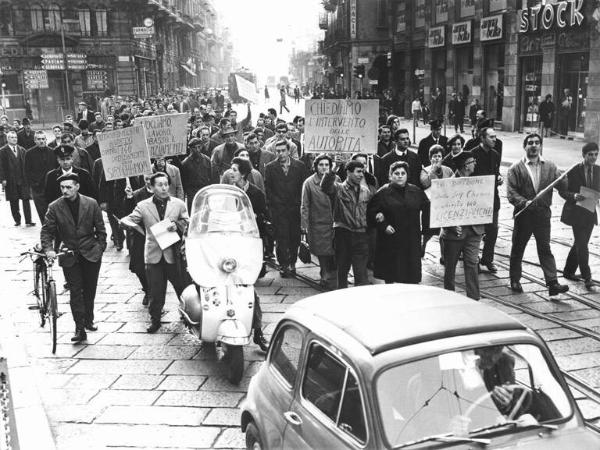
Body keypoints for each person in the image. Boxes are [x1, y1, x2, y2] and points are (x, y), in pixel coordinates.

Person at [40, 172, 107, 343]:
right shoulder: (54, 207)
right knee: (75, 291)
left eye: (69, 187)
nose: (65, 190)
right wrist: (48, 249)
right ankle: (79, 327)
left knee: (89, 288)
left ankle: (88, 319)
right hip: (69, 254)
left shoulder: (91, 204)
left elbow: (101, 230)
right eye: (62, 187)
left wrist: (99, 248)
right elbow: (47, 231)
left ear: (77, 187)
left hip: (91, 253)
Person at [121, 172, 189, 333]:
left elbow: (188, 222)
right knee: (155, 290)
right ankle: (155, 319)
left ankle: (187, 312)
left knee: (181, 286)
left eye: (166, 184)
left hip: (173, 253)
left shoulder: (178, 204)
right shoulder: (143, 205)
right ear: (151, 188)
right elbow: (129, 219)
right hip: (153, 254)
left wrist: (177, 225)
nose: (164, 187)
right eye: (160, 185)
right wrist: (129, 225)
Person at [507, 133, 569, 296]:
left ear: (541, 146)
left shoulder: (550, 166)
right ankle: (515, 279)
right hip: (524, 215)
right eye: (530, 143)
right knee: (518, 248)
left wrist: (565, 180)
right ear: (525, 146)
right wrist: (523, 202)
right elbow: (511, 193)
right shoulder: (516, 168)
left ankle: (552, 283)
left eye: (537, 143)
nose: (534, 146)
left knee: (545, 248)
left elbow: (562, 189)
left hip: (543, 215)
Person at [225, 157, 269, 351]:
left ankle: (258, 331)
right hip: (227, 245)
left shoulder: (256, 194)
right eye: (230, 169)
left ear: (243, 173)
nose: (231, 172)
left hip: (247, 245)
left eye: (234, 169)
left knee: (249, 291)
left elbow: (261, 219)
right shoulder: (226, 193)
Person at [367, 161, 428, 284]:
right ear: (390, 176)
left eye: (403, 173)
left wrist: (426, 231)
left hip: (411, 239)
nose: (400, 176)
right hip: (391, 239)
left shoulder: (416, 191)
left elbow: (428, 209)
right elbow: (371, 213)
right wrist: (383, 225)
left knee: (410, 275)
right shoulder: (383, 192)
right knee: (392, 273)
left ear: (407, 175)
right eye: (396, 173)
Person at [321, 160, 376, 288]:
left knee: (361, 273)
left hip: (361, 235)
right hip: (343, 235)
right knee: (342, 270)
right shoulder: (338, 188)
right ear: (348, 173)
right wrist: (333, 168)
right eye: (358, 172)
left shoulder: (365, 191)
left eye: (362, 171)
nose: (361, 175)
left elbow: (369, 211)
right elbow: (325, 186)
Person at [440, 151, 484, 300]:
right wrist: (451, 225)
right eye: (473, 161)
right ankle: (450, 298)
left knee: (472, 264)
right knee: (450, 267)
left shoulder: (477, 183)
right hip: (454, 234)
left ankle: (474, 299)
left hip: (474, 231)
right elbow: (440, 210)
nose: (475, 164)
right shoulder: (447, 185)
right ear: (466, 165)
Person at [560, 142, 600, 289]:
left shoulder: (598, 171)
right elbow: (562, 191)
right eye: (590, 155)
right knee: (582, 245)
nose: (593, 157)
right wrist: (574, 195)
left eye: (596, 154)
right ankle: (587, 276)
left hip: (590, 212)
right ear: (583, 155)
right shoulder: (574, 171)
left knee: (579, 243)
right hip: (576, 213)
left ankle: (568, 271)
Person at [264, 140, 307, 277]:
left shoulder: (299, 166)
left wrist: (299, 202)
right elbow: (268, 188)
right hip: (279, 209)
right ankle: (283, 265)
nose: (281, 154)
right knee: (281, 238)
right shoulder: (270, 167)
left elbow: (303, 186)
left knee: (294, 237)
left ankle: (292, 263)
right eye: (278, 151)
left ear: (289, 151)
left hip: (295, 208)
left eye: (283, 150)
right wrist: (275, 203)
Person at [301, 154, 338, 289]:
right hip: (318, 223)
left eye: (327, 165)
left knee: (334, 250)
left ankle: (332, 273)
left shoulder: (336, 179)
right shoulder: (309, 183)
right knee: (322, 252)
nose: (324, 168)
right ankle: (324, 273)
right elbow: (305, 205)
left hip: (334, 222)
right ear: (316, 167)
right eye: (321, 165)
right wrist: (304, 225)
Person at [472, 126, 503, 273]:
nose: (494, 139)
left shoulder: (495, 154)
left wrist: (499, 178)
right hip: (477, 199)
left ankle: (487, 259)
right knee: (476, 231)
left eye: (495, 136)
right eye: (491, 137)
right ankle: (474, 260)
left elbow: (496, 172)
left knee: (493, 230)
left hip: (492, 198)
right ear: (482, 138)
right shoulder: (473, 154)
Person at [122, 174, 154, 306]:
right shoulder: (137, 194)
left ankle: (155, 292)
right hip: (141, 235)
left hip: (158, 234)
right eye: (146, 179)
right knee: (139, 266)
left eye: (151, 179)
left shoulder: (162, 193)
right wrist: (129, 198)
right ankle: (147, 290)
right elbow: (128, 212)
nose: (148, 182)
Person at [420, 145, 454, 258]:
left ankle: (444, 255)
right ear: (430, 158)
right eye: (434, 156)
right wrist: (432, 171)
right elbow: (425, 183)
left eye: (439, 156)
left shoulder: (448, 170)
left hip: (444, 206)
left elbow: (454, 184)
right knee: (427, 232)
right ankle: (422, 247)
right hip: (430, 206)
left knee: (443, 233)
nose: (437, 159)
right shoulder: (425, 170)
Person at [0, 130, 34, 226]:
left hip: (23, 179)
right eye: (11, 137)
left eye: (15, 137)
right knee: (13, 200)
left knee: (26, 199)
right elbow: (1, 166)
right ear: (7, 139)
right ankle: (17, 220)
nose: (14, 139)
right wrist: (2, 179)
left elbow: (27, 165)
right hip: (10, 180)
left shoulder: (22, 150)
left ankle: (28, 220)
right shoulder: (3, 151)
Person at [24, 131, 57, 223]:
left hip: (51, 187)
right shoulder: (29, 153)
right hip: (38, 189)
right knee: (42, 212)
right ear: (35, 140)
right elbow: (27, 171)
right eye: (39, 139)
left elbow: (56, 168)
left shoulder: (52, 152)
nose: (41, 141)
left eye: (43, 139)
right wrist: (33, 184)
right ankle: (46, 232)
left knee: (53, 211)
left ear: (46, 140)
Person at [181, 138, 212, 212]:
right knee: (193, 212)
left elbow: (210, 176)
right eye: (195, 148)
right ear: (191, 149)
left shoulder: (207, 159)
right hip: (192, 192)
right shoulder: (185, 163)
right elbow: (184, 181)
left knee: (205, 212)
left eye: (199, 147)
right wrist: (188, 193)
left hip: (204, 190)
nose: (197, 150)